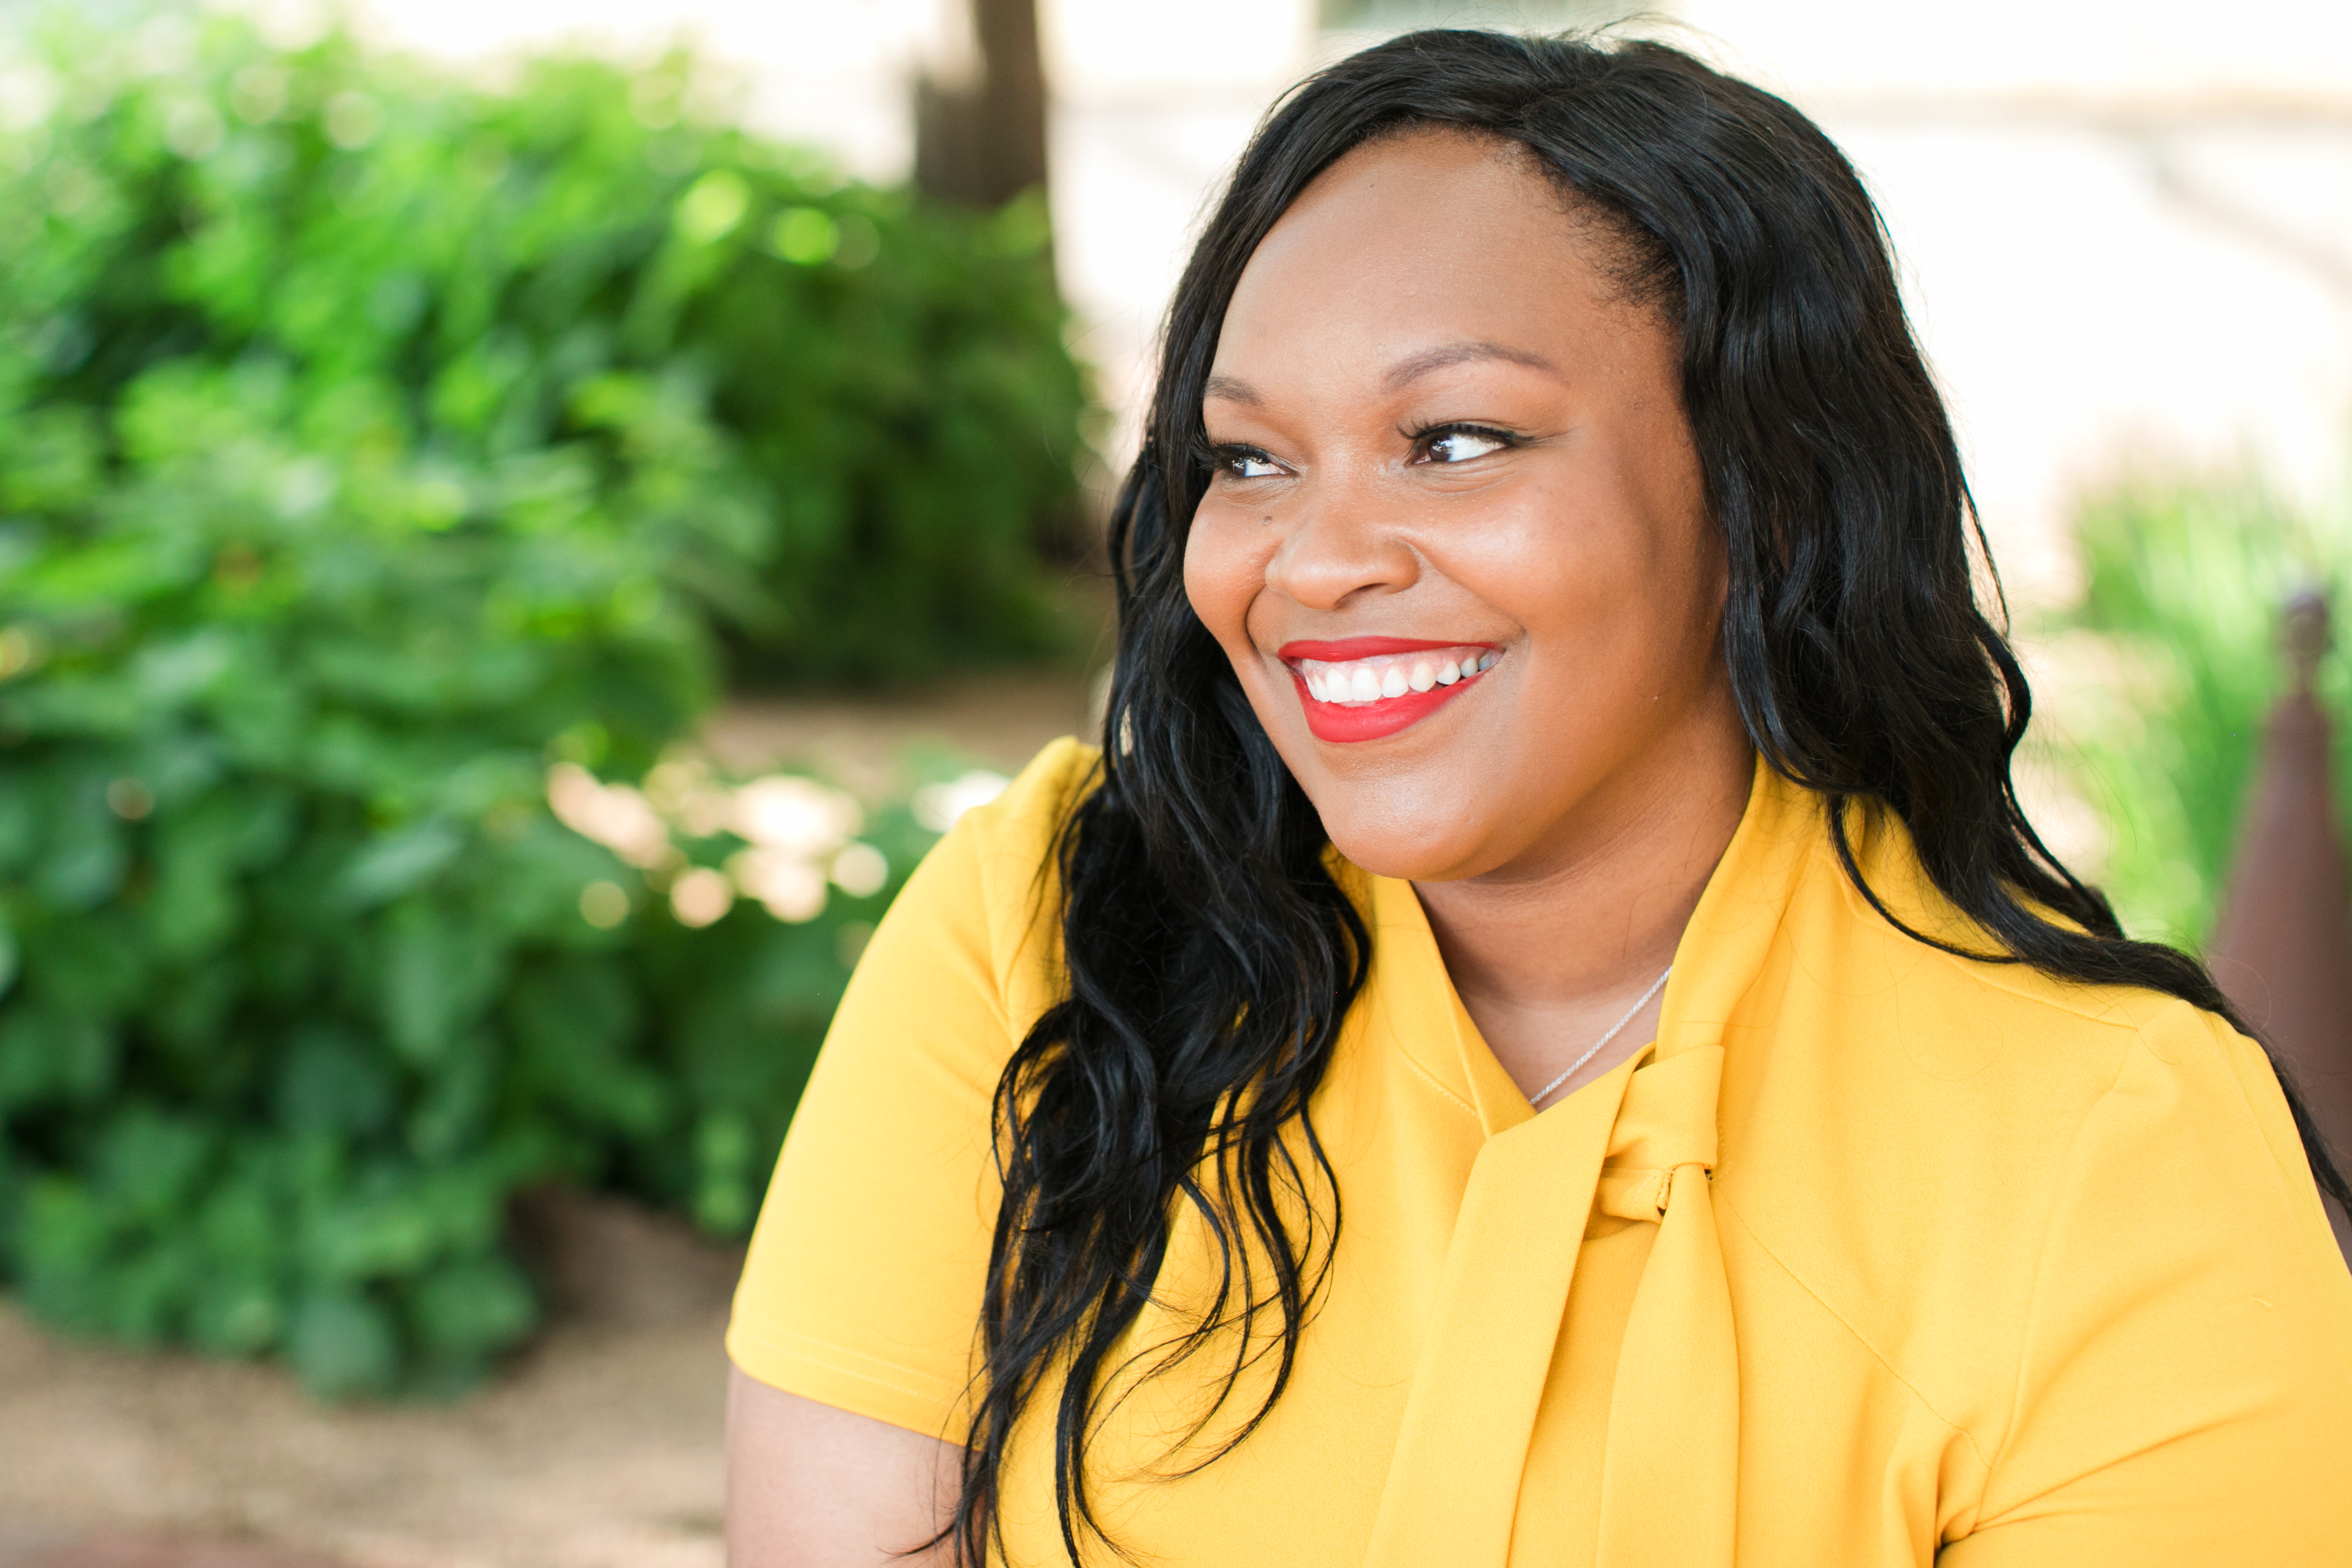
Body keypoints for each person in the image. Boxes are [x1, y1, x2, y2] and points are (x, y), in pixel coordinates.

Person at [723, 29, 2352, 1568]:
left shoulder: (2109, 1156)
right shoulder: (1043, 936)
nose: (1318, 561)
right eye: (1248, 460)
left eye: (1453, 440)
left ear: (1768, 502)